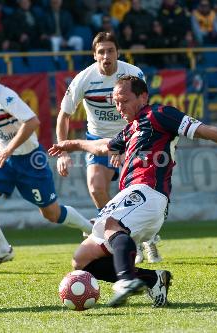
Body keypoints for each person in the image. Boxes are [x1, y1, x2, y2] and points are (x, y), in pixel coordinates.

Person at [48, 75, 217, 307]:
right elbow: (103, 146)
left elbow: (204, 130)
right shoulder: (131, 129)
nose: (119, 107)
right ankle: (153, 279)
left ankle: (126, 280)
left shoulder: (160, 114)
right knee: (82, 260)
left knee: (110, 224)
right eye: (116, 102)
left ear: (143, 96)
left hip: (149, 192)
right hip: (132, 195)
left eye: (125, 101)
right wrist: (73, 144)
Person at [0, 57, 92, 268]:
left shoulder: (6, 96)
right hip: (2, 159)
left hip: (30, 160)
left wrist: (10, 148)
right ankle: (3, 249)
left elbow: (32, 122)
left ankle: (90, 229)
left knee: (51, 213)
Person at [56, 31, 160, 264]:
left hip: (131, 138)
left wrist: (124, 146)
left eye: (110, 50)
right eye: (101, 52)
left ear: (117, 53)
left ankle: (149, 239)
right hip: (97, 140)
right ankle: (124, 236)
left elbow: (144, 111)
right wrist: (63, 152)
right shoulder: (83, 79)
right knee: (95, 188)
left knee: (136, 193)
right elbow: (63, 116)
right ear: (94, 55)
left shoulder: (133, 74)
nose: (106, 56)